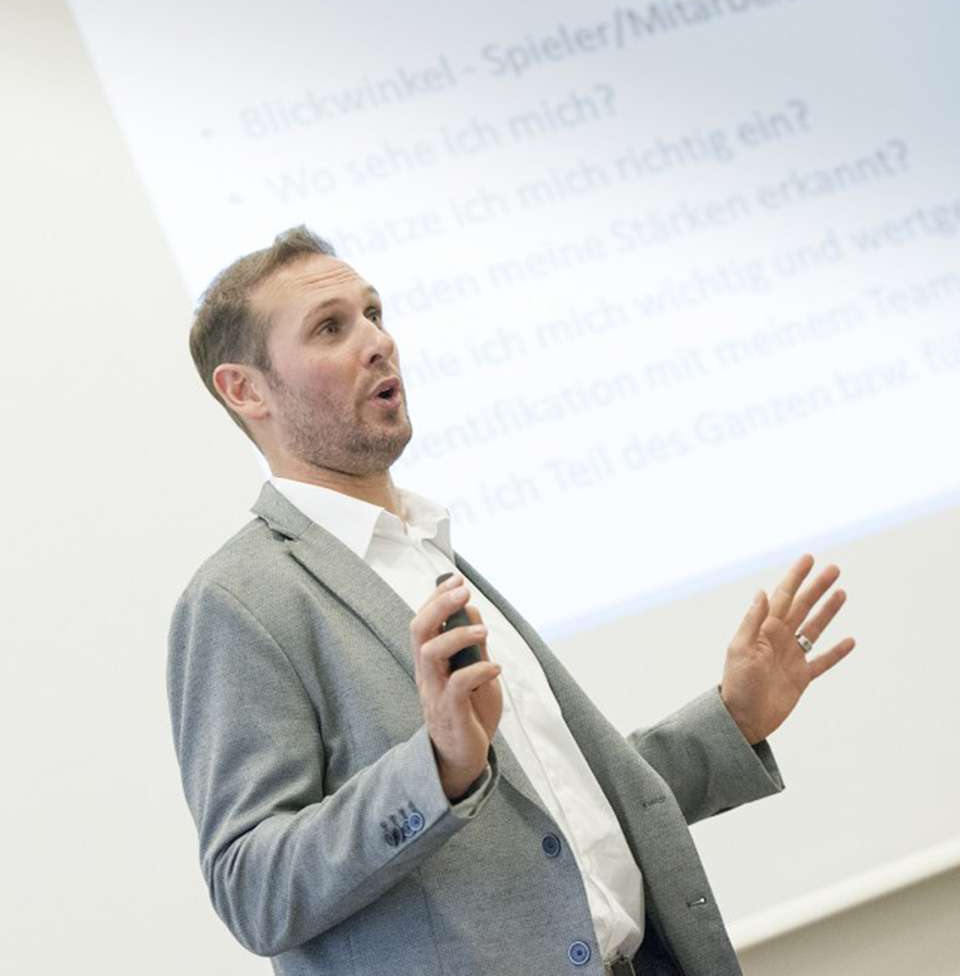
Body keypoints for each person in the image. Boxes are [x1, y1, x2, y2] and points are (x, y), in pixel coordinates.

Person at [167, 224, 855, 976]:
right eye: (331, 328)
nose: (378, 342)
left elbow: (565, 813)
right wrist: (436, 768)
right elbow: (252, 889)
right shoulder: (240, 599)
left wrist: (733, 720)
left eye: (374, 313)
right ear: (245, 390)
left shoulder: (426, 551)